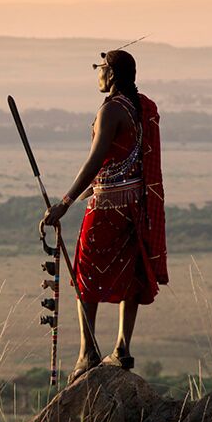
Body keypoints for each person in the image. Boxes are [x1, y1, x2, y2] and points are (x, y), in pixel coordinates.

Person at [43, 49, 168, 385]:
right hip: (134, 204)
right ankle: (121, 346)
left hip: (107, 207)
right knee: (132, 273)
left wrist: (65, 202)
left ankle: (88, 353)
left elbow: (96, 158)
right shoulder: (139, 107)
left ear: (111, 73)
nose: (97, 73)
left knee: (85, 275)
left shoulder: (112, 109)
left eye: (99, 68)